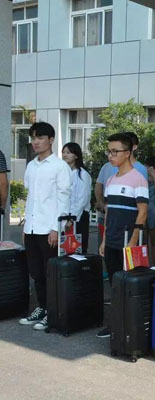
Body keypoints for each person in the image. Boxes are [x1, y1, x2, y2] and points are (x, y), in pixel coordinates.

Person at [18, 122, 71, 331]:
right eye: (33, 138)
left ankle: (52, 311)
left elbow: (64, 198)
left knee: (50, 273)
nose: (36, 142)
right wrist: (26, 226)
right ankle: (41, 308)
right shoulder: (31, 166)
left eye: (40, 138)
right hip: (32, 227)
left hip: (49, 229)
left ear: (51, 140)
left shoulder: (59, 166)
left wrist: (57, 228)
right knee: (36, 272)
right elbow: (31, 198)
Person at [97, 133, 149, 338]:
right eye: (109, 151)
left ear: (127, 153)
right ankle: (114, 324)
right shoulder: (111, 179)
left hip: (128, 242)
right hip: (111, 240)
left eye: (115, 151)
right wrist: (104, 239)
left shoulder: (138, 179)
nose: (111, 156)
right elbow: (109, 211)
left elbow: (142, 212)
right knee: (114, 284)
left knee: (128, 285)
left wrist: (133, 242)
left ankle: (128, 328)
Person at [62, 142, 92, 254]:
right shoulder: (63, 173)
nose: (65, 155)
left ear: (76, 155)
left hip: (78, 216)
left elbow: (82, 200)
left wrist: (71, 219)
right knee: (64, 249)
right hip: (65, 215)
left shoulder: (82, 174)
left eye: (68, 152)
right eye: (63, 152)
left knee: (77, 248)